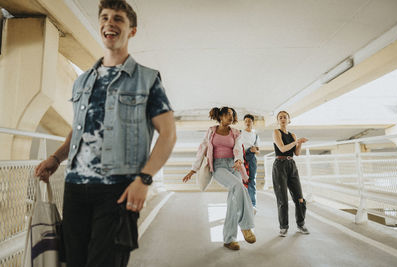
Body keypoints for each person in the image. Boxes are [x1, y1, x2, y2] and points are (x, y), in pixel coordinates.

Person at [34, 1, 176, 266]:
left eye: (118, 19)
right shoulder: (83, 81)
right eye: (105, 17)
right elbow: (78, 130)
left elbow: (168, 134)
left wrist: (144, 180)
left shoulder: (146, 79)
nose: (109, 23)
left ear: (132, 30)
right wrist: (55, 158)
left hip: (118, 191)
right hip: (75, 188)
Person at [183, 107, 256, 251]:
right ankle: (246, 226)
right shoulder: (211, 131)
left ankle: (229, 239)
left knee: (234, 201)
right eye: (227, 114)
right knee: (238, 187)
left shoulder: (235, 132)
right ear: (221, 116)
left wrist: (238, 160)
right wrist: (194, 169)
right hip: (218, 166)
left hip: (234, 165)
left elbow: (238, 148)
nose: (230, 117)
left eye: (232, 115)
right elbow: (203, 148)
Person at [272, 110, 309, 237]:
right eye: (280, 117)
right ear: (278, 121)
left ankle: (301, 224)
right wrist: (296, 142)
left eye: (285, 117)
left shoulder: (293, 135)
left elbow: (297, 153)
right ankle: (283, 227)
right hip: (279, 165)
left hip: (291, 165)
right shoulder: (276, 132)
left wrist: (299, 143)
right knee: (282, 198)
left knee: (299, 198)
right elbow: (282, 148)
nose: (282, 119)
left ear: (289, 120)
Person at [241, 114, 260, 209]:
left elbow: (258, 151)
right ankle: (242, 203)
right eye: (246, 121)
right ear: (244, 123)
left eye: (250, 121)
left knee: (252, 181)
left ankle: (252, 205)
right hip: (241, 158)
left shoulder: (255, 135)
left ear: (253, 123)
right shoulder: (240, 133)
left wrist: (255, 150)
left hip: (252, 159)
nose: (248, 123)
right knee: (241, 181)